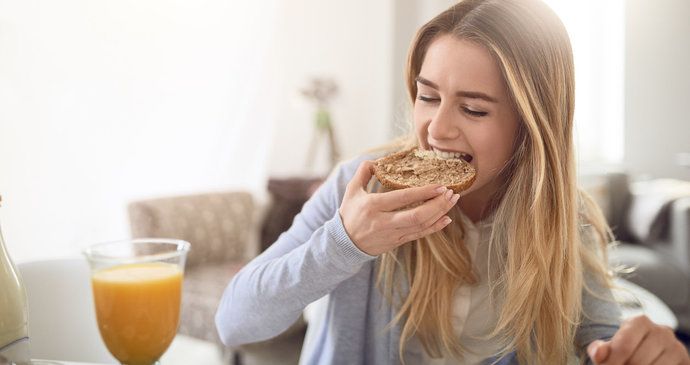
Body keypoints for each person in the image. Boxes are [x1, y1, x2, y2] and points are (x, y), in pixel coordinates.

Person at [215, 0, 690, 364]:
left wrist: (631, 348)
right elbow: (234, 322)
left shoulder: (562, 216)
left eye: (473, 108)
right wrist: (344, 242)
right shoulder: (361, 191)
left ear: (531, 124)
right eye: (427, 95)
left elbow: (599, 334)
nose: (437, 129)